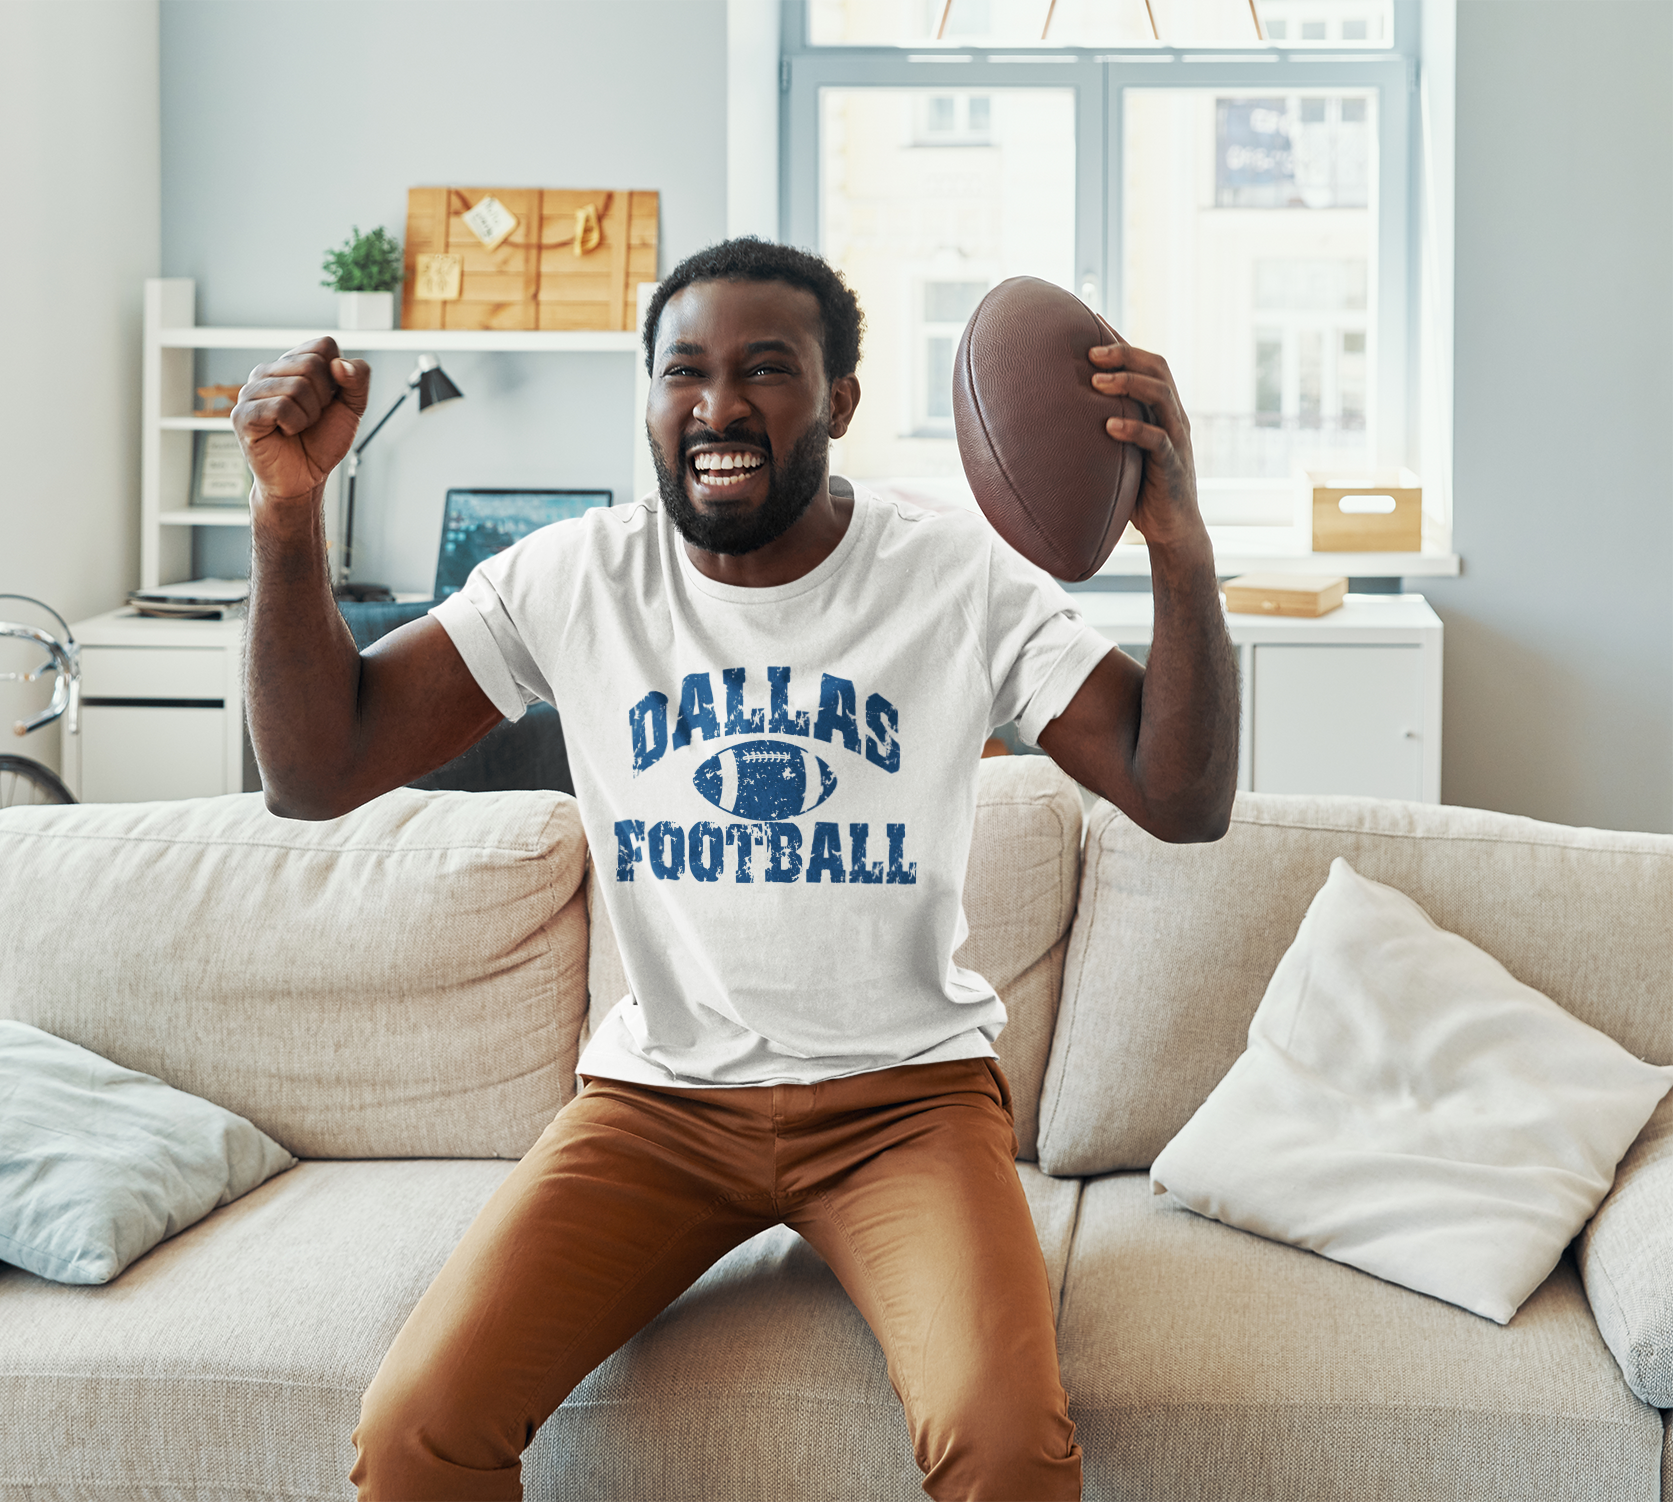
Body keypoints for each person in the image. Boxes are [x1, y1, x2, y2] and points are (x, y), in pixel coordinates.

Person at [233, 238, 1238, 1502]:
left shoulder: (950, 578)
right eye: (685, 372)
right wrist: (285, 516)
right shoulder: (575, 577)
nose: (720, 405)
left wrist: (1181, 546)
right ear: (648, 397)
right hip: (657, 1106)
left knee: (1005, 1441)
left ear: (842, 403)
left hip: (904, 1102)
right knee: (419, 1427)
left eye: (768, 370)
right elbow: (318, 771)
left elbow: (1182, 795)